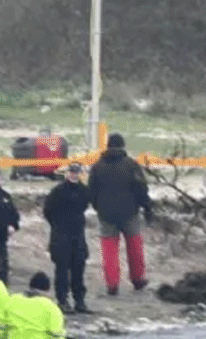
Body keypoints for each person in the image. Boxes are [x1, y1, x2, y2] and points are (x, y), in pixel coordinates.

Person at [87, 132, 154, 296]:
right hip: (129, 212)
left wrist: (98, 207)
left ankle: (112, 284)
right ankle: (137, 279)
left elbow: (91, 191)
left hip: (106, 214)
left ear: (108, 146)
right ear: (123, 146)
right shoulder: (131, 165)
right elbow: (141, 189)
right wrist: (146, 207)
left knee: (109, 250)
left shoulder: (97, 167)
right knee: (135, 247)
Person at [42, 161, 91, 314]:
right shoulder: (58, 191)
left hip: (78, 234)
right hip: (61, 234)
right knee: (62, 269)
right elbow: (47, 211)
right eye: (71, 172)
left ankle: (80, 301)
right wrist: (57, 224)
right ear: (67, 173)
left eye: (76, 172)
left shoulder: (84, 190)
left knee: (79, 268)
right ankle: (62, 301)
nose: (74, 175)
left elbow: (84, 206)